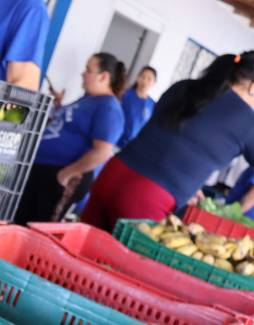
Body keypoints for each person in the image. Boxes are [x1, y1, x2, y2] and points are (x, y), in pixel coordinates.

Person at [81, 52, 254, 232]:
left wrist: (192, 185)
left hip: (113, 174)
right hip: (148, 197)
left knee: (79, 250)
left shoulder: (184, 86)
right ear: (252, 87)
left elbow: (168, 137)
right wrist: (235, 211)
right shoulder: (248, 120)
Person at [13, 53, 126, 224]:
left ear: (103, 76)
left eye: (88, 70)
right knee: (18, 220)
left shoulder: (109, 107)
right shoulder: (88, 98)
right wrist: (58, 106)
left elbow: (102, 152)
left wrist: (66, 175)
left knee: (34, 229)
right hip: (41, 169)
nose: (83, 73)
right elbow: (65, 127)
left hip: (59, 175)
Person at [118, 66, 157, 148]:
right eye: (143, 77)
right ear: (138, 78)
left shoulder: (152, 105)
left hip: (132, 147)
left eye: (149, 79)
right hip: (116, 141)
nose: (145, 81)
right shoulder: (125, 94)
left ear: (153, 83)